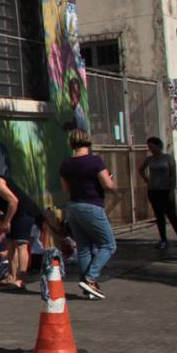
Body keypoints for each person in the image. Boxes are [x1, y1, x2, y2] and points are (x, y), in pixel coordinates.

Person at [59, 128, 118, 299]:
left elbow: (65, 189)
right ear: (88, 141)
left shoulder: (66, 164)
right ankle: (91, 278)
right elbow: (109, 185)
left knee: (84, 248)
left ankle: (87, 287)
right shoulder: (95, 161)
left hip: (73, 207)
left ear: (71, 143)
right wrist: (110, 179)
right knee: (108, 244)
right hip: (92, 206)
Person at [140, 137, 177, 251]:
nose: (151, 149)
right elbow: (141, 169)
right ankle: (163, 239)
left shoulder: (168, 158)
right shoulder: (150, 159)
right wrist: (147, 179)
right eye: (149, 147)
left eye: (152, 146)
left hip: (165, 190)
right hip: (153, 190)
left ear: (159, 146)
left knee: (171, 215)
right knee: (159, 216)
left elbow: (173, 175)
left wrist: (172, 190)